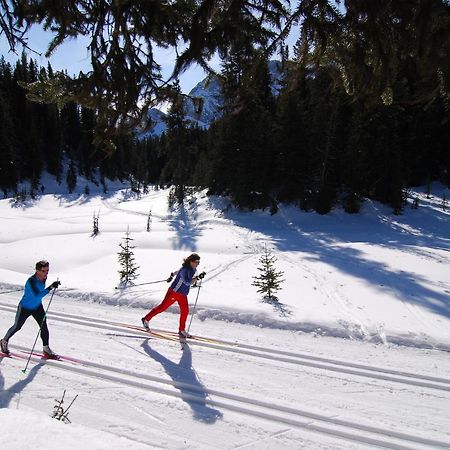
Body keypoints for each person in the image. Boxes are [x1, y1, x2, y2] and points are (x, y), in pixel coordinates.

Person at [0, 260, 61, 357]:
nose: (46, 273)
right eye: (44, 271)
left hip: (37, 307)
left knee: (44, 326)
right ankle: (4, 341)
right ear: (37, 271)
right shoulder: (31, 281)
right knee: (17, 327)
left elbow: (39, 293)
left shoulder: (44, 278)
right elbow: (37, 295)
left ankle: (46, 348)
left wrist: (52, 285)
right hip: (25, 307)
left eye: (47, 270)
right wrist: (50, 287)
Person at [141, 253, 206, 338]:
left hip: (183, 294)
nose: (198, 264)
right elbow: (187, 282)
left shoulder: (192, 269)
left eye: (198, 262)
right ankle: (146, 319)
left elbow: (177, 272)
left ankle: (181, 330)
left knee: (185, 311)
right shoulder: (185, 269)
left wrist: (172, 275)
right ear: (191, 261)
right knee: (162, 307)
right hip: (174, 292)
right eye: (196, 262)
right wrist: (197, 278)